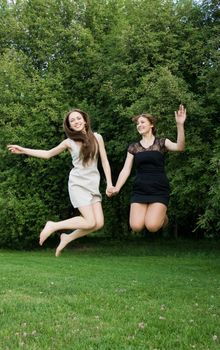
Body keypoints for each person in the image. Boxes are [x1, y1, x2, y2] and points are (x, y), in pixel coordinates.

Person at [7, 108, 113, 256]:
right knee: (89, 222)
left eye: (78, 118)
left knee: (99, 223)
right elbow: (48, 154)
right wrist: (23, 150)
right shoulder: (69, 142)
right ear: (69, 126)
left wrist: (109, 183)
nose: (76, 122)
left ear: (84, 120)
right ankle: (53, 225)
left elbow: (105, 161)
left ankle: (67, 237)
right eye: (72, 121)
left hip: (93, 184)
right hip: (78, 184)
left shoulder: (97, 137)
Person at [111, 105, 186, 233]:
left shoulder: (161, 143)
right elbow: (126, 170)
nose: (139, 125)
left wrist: (180, 125)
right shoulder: (133, 147)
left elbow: (180, 147)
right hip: (140, 189)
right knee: (136, 226)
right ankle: (156, 214)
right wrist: (117, 187)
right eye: (137, 123)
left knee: (152, 226)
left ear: (151, 125)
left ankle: (163, 217)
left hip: (159, 188)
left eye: (142, 122)